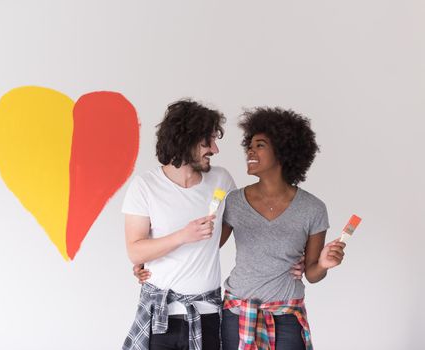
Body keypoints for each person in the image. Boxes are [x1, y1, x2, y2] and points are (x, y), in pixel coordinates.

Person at [220, 107, 346, 350]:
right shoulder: (233, 201)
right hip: (237, 314)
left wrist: (324, 264)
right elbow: (207, 247)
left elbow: (312, 273)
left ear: (282, 151)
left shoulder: (313, 208)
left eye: (260, 145)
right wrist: (150, 261)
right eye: (250, 145)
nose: (250, 150)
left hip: (286, 316)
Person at [122, 99, 236, 350]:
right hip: (161, 316)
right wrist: (184, 236)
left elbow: (230, 227)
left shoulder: (221, 180)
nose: (215, 149)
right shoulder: (145, 186)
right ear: (186, 141)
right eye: (208, 141)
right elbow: (135, 251)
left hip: (207, 314)